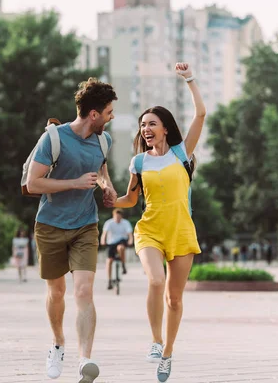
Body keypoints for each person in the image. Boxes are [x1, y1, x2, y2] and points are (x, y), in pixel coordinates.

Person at [113, 62, 206, 382]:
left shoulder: (182, 153)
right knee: (155, 281)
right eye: (142, 125)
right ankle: (155, 342)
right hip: (150, 229)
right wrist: (108, 195)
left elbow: (201, 115)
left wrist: (189, 80)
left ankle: (167, 353)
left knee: (174, 298)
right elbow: (130, 199)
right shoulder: (138, 161)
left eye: (151, 123)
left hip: (181, 231)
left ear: (165, 127)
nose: (145, 129)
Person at [26, 77, 118, 383]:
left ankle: (85, 361)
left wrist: (107, 188)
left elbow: (102, 169)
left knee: (83, 291)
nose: (111, 116)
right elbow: (33, 182)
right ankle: (57, 344)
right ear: (93, 114)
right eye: (108, 111)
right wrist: (75, 183)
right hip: (50, 225)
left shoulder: (104, 140)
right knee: (57, 291)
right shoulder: (54, 139)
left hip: (85, 225)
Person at [100, 208, 133, 289]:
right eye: (116, 217)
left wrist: (130, 241)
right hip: (111, 242)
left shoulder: (125, 223)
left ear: (121, 216)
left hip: (121, 240)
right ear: (113, 216)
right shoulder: (109, 223)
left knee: (121, 248)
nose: (118, 219)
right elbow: (104, 233)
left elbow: (130, 234)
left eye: (119, 217)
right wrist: (102, 240)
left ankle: (123, 264)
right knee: (109, 260)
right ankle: (109, 280)